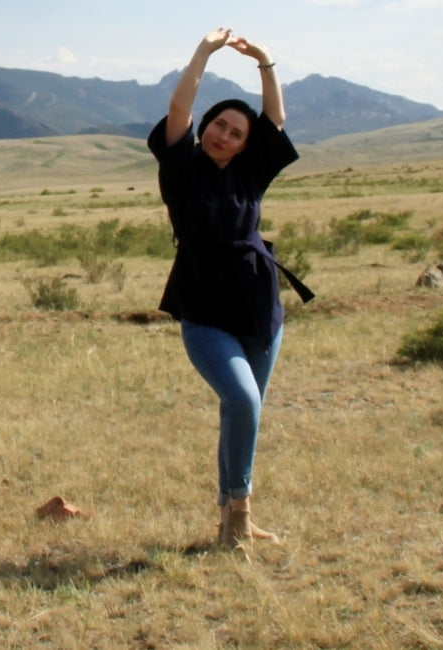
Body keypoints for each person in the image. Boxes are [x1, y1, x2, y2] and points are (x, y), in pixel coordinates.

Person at [147, 28, 312, 551]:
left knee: (245, 412)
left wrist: (265, 61)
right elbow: (180, 107)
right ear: (205, 128)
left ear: (245, 144)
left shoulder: (249, 175)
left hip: (261, 308)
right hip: (204, 309)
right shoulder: (182, 169)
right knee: (241, 399)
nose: (224, 136)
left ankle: (234, 515)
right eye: (219, 125)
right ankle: (236, 517)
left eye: (236, 133)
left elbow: (275, 121)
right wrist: (205, 52)